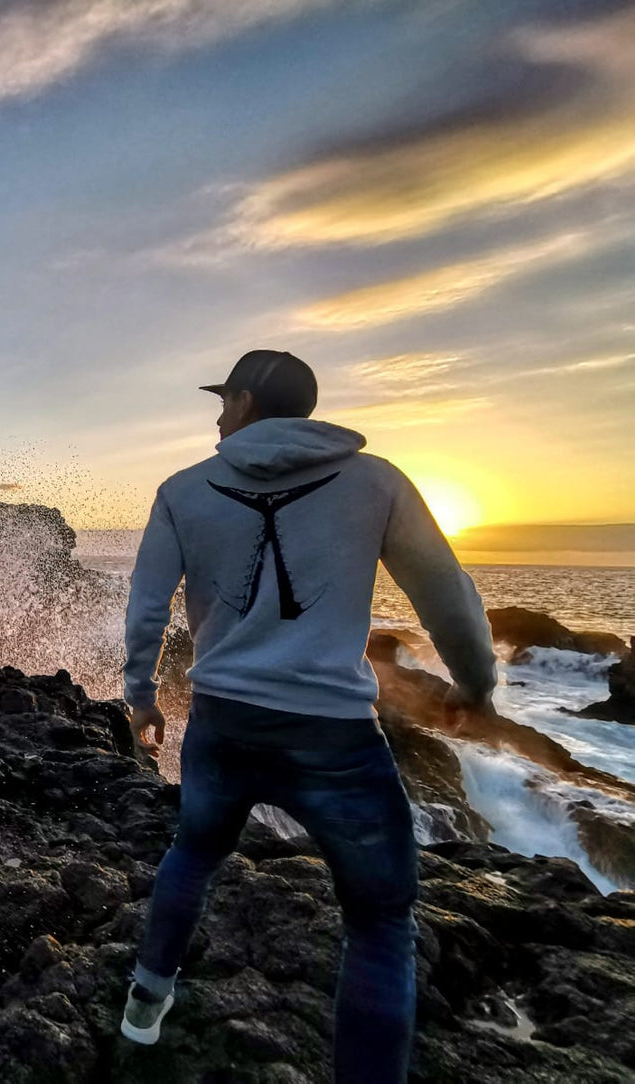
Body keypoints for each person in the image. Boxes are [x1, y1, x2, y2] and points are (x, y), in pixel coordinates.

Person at [118, 349, 496, 1082]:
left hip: (224, 722)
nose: (218, 415)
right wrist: (475, 685)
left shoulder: (182, 490)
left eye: (224, 400)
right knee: (380, 920)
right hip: (334, 739)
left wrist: (140, 696)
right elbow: (444, 590)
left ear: (248, 400)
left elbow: (145, 605)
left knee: (193, 856)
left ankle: (144, 1007)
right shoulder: (375, 482)